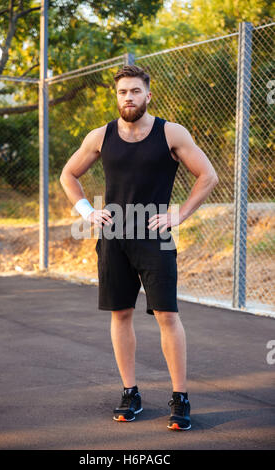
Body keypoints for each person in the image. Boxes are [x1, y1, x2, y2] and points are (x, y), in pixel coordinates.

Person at [60, 65, 218, 431]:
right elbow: (69, 175)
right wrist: (86, 210)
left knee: (167, 315)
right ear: (116, 98)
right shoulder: (100, 136)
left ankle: (180, 398)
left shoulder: (171, 133)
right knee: (120, 314)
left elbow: (207, 176)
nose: (127, 98)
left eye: (134, 91)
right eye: (122, 92)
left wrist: (179, 214)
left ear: (148, 95)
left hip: (155, 236)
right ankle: (130, 392)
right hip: (113, 239)